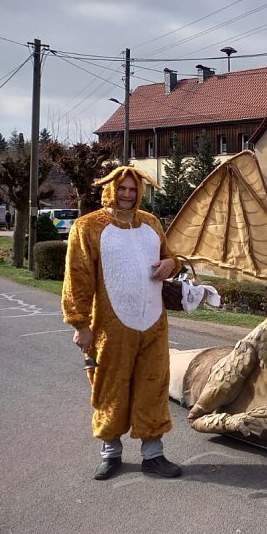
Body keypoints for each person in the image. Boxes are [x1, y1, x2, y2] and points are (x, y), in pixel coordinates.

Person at [62, 166, 183, 481]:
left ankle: (153, 454)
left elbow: (171, 257)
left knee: (153, 385)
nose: (127, 195)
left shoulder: (152, 223)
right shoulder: (87, 227)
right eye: (122, 188)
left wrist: (171, 263)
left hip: (153, 323)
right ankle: (110, 452)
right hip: (110, 326)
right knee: (109, 387)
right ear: (111, 189)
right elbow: (77, 279)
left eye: (132, 189)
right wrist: (80, 324)